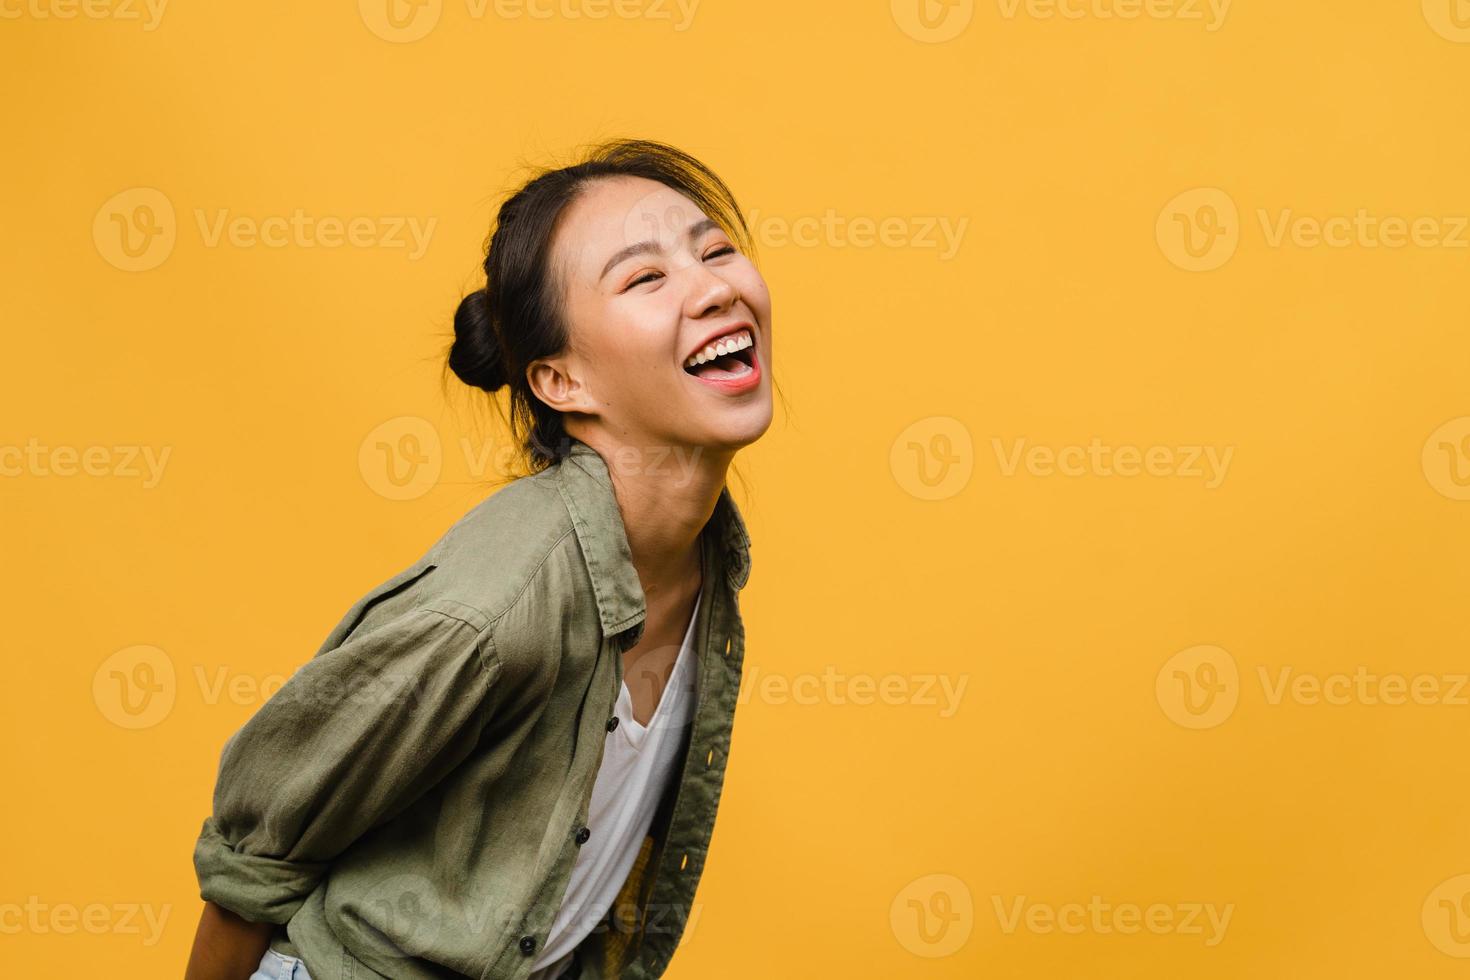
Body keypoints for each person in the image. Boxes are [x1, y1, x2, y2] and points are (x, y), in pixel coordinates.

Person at [183, 138, 775, 980]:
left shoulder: (704, 558)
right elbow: (256, 850)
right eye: (646, 278)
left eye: (715, 250)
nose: (716, 286)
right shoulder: (496, 603)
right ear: (561, 381)